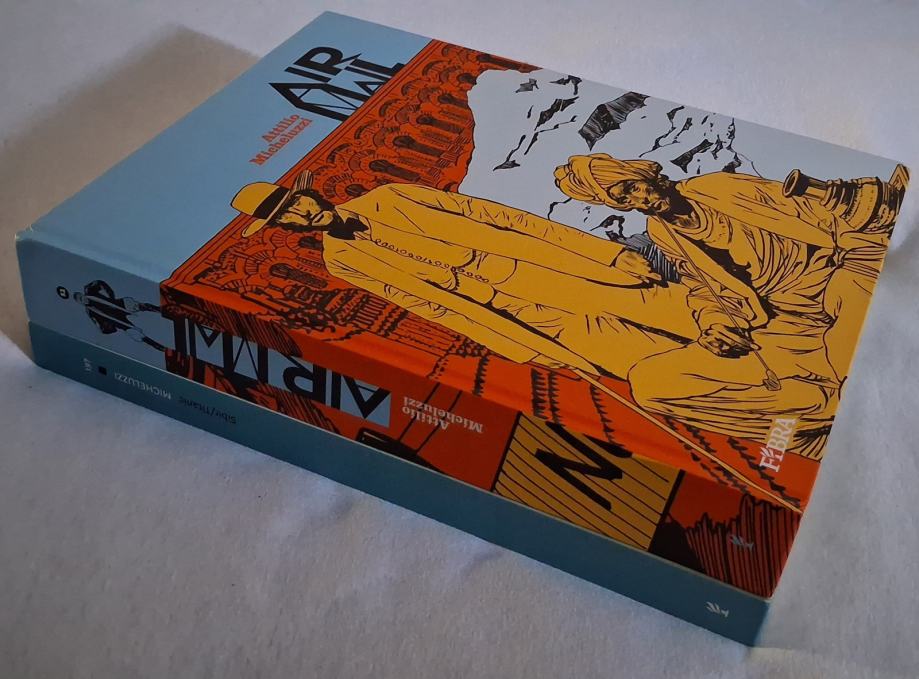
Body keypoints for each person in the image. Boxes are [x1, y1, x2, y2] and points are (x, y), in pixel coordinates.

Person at [553, 154, 906, 454]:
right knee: (650, 384)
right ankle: (813, 414)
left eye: (632, 187)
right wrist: (715, 325)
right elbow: (701, 287)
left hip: (837, 282)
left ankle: (820, 416)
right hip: (782, 323)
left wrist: (856, 258)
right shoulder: (663, 232)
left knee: (852, 344)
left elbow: (821, 215)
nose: (639, 200)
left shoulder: (718, 188)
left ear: (643, 174)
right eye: (624, 200)